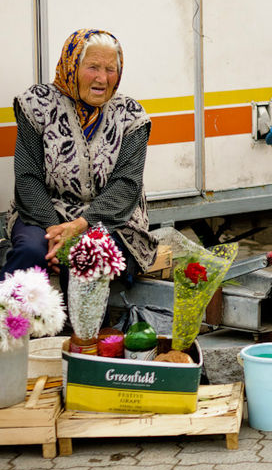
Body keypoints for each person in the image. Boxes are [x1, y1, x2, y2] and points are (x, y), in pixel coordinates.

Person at [1, 28, 157, 289]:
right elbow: (28, 177)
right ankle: (10, 320)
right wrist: (55, 231)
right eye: (92, 67)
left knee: (83, 255)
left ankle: (82, 329)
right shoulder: (37, 105)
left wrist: (79, 227)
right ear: (71, 66)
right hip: (43, 214)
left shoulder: (131, 116)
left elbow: (126, 185)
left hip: (111, 219)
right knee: (30, 251)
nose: (102, 78)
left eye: (110, 69)